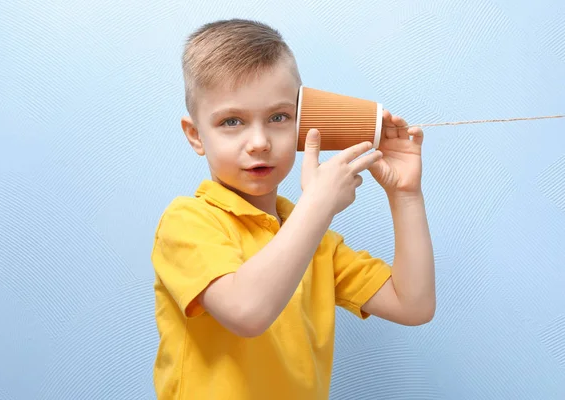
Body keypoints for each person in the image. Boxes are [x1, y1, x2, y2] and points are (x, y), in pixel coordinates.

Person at [150, 18, 435, 400]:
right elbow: (247, 312)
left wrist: (405, 196)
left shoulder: (316, 243)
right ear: (196, 135)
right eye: (231, 121)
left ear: (302, 124)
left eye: (278, 117)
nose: (259, 142)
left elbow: (413, 305)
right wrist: (317, 207)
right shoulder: (186, 222)